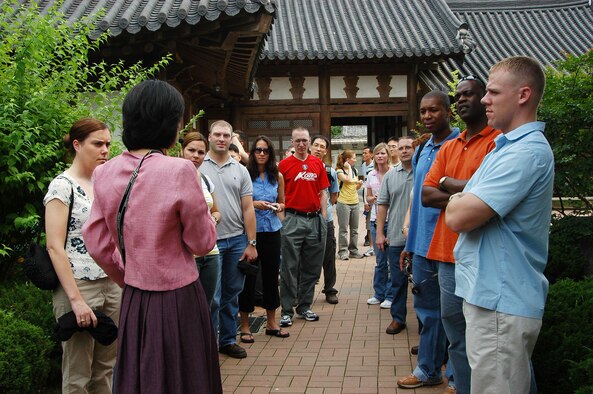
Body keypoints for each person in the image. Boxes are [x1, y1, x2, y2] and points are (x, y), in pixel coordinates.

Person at [83, 80, 221, 392]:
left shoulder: (104, 173)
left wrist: (127, 275)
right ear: (169, 124)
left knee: (142, 377)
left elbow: (96, 242)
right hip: (180, 296)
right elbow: (202, 243)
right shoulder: (180, 170)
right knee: (186, 378)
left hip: (134, 295)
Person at [446, 56, 554, 394]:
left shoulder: (525, 153)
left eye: (492, 92)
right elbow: (463, 203)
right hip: (493, 296)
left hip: (500, 301)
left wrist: (457, 201)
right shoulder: (504, 148)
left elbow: (458, 216)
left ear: (523, 95)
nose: (483, 100)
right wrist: (462, 200)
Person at [420, 76, 500, 394]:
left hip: (484, 253)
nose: (462, 100)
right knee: (456, 334)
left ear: (484, 99)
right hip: (446, 255)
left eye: (469, 94)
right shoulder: (449, 146)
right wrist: (468, 191)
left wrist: (449, 183)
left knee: (487, 336)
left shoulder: (498, 142)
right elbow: (427, 194)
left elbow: (490, 195)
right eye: (458, 96)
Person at [45, 118, 120, 393]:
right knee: (77, 372)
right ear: (77, 145)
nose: (105, 150)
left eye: (108, 144)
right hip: (78, 285)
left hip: (111, 282)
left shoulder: (105, 183)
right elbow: (54, 246)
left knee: (106, 367)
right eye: (97, 144)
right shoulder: (62, 186)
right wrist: (76, 301)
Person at [397, 91, 459, 389]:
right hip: (422, 244)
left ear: (448, 112)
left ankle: (457, 377)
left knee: (455, 316)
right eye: (423, 111)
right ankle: (428, 370)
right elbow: (418, 201)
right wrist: (409, 246)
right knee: (427, 312)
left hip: (451, 243)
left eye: (434, 110)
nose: (427, 116)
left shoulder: (460, 144)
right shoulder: (422, 149)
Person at [201, 120, 258, 359]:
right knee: (211, 296)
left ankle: (227, 340)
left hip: (236, 240)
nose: (222, 139)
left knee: (232, 293)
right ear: (209, 136)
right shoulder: (197, 166)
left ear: (232, 138)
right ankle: (208, 344)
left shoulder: (240, 169)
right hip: (209, 242)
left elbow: (248, 208)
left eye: (226, 135)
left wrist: (251, 242)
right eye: (217, 134)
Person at [238, 136, 289, 341]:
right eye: (258, 150)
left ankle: (271, 322)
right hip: (250, 232)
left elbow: (283, 202)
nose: (261, 153)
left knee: (270, 277)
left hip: (272, 231)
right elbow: (240, 203)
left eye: (265, 150)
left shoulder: (277, 176)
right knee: (248, 277)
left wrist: (278, 207)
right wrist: (255, 203)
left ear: (270, 154)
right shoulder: (244, 175)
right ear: (251, 152)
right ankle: (244, 325)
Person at [278, 127, 329, 327]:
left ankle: (305, 306)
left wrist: (323, 218)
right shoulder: (284, 165)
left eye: (304, 140)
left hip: (315, 220)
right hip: (292, 219)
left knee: (312, 267)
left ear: (309, 141)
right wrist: (283, 220)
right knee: (289, 267)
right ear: (292, 141)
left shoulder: (317, 164)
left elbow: (322, 193)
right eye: (297, 140)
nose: (301, 144)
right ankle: (286, 310)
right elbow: (277, 195)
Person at [374, 137, 414, 335]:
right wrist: (380, 233)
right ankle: (398, 318)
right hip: (396, 236)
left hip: (420, 237)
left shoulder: (424, 171)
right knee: (397, 281)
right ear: (396, 151)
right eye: (401, 148)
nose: (405, 151)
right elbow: (382, 205)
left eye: (409, 147)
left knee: (423, 283)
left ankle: (425, 322)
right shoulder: (391, 175)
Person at [181, 132, 222, 309]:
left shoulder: (205, 179)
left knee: (208, 305)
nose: (196, 156)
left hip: (211, 251)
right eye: (191, 150)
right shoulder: (174, 179)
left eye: (200, 152)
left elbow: (217, 211)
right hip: (187, 253)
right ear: (182, 151)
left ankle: (207, 337)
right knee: (188, 307)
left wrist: (213, 218)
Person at [311, 135, 340, 304]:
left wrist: (326, 209)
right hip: (306, 218)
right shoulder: (303, 168)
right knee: (303, 256)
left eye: (322, 146)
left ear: (326, 151)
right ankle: (302, 291)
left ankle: (330, 289)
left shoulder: (330, 171)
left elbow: (334, 195)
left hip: (326, 219)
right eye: (316, 145)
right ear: (310, 147)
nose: (319, 148)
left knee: (328, 255)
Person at [365, 143, 394, 309]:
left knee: (392, 261)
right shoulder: (371, 175)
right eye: (377, 154)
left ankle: (390, 295)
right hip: (376, 220)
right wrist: (373, 198)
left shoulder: (394, 173)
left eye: (383, 153)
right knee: (380, 260)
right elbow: (367, 198)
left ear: (388, 155)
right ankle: (379, 293)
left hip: (393, 220)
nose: (380, 156)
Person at [335, 150, 364, 260]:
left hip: (355, 202)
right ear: (347, 160)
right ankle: (343, 251)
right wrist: (347, 168)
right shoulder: (339, 171)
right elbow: (347, 180)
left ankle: (353, 251)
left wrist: (359, 185)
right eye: (354, 158)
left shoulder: (355, 170)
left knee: (355, 229)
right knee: (343, 229)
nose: (356, 160)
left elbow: (354, 187)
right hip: (343, 203)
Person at [361, 146, 374, 250]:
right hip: (367, 195)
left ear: (371, 154)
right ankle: (370, 244)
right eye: (363, 153)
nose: (364, 155)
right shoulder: (363, 165)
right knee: (368, 219)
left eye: (366, 153)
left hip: (375, 196)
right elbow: (365, 184)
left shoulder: (375, 166)